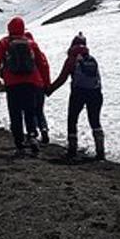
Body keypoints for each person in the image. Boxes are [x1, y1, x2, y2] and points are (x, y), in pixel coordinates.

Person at [0, 17, 51, 157]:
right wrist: (46, 83)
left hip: (12, 83)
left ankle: (20, 144)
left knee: (15, 113)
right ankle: (32, 136)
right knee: (30, 111)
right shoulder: (31, 43)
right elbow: (42, 64)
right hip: (31, 82)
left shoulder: (4, 43)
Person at [46, 33, 105, 161]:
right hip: (95, 93)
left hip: (78, 93)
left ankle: (72, 150)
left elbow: (62, 78)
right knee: (95, 121)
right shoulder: (91, 58)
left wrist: (49, 90)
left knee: (72, 119)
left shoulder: (72, 59)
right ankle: (100, 151)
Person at [24, 31, 50, 145]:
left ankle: (33, 133)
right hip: (40, 85)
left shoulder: (23, 54)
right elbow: (45, 67)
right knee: (39, 109)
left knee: (30, 110)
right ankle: (44, 128)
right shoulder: (39, 52)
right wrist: (47, 84)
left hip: (28, 85)